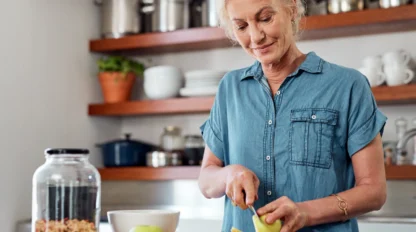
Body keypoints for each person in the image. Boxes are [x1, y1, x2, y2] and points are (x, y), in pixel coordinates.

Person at [197, 0, 388, 231]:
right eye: (241, 26)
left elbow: (374, 192)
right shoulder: (230, 88)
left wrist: (305, 212)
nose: (255, 37)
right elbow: (207, 182)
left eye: (266, 18)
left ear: (292, 9)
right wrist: (229, 174)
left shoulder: (348, 86)